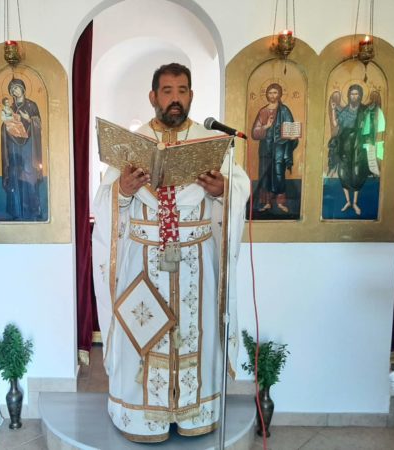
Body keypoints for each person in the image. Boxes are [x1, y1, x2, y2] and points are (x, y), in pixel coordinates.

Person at [92, 63, 250, 442]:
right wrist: (124, 190)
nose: (175, 98)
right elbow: (106, 203)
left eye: (182, 90)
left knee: (197, 331)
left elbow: (238, 188)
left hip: (197, 261)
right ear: (153, 97)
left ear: (191, 96)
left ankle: (195, 412)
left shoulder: (211, 142)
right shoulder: (133, 144)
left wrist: (222, 191)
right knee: (142, 335)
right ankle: (143, 416)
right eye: (167, 91)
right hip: (143, 263)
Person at [251, 83, 299, 213]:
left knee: (279, 175)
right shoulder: (263, 111)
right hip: (265, 149)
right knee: (265, 175)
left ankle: (281, 202)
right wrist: (266, 126)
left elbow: (291, 129)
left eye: (275, 93)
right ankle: (266, 203)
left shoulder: (285, 110)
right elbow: (254, 133)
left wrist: (292, 137)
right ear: (267, 94)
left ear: (279, 94)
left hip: (280, 149)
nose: (272, 95)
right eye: (270, 93)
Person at [0, 78, 44, 221]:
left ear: (23, 89)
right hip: (14, 147)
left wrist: (29, 119)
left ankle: (33, 210)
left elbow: (38, 125)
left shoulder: (31, 105)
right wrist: (7, 124)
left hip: (28, 147)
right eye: (13, 90)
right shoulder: (10, 108)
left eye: (17, 88)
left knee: (29, 175)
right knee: (15, 175)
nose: (15, 91)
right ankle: (16, 211)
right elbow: (4, 126)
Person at [327, 84, 371, 215]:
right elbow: (336, 124)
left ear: (360, 96)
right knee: (343, 173)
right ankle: (347, 201)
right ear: (349, 96)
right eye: (352, 94)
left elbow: (369, 127)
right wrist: (333, 109)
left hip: (358, 146)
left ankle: (355, 203)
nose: (354, 96)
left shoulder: (364, 110)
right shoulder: (345, 111)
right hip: (344, 146)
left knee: (357, 173)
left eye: (357, 94)